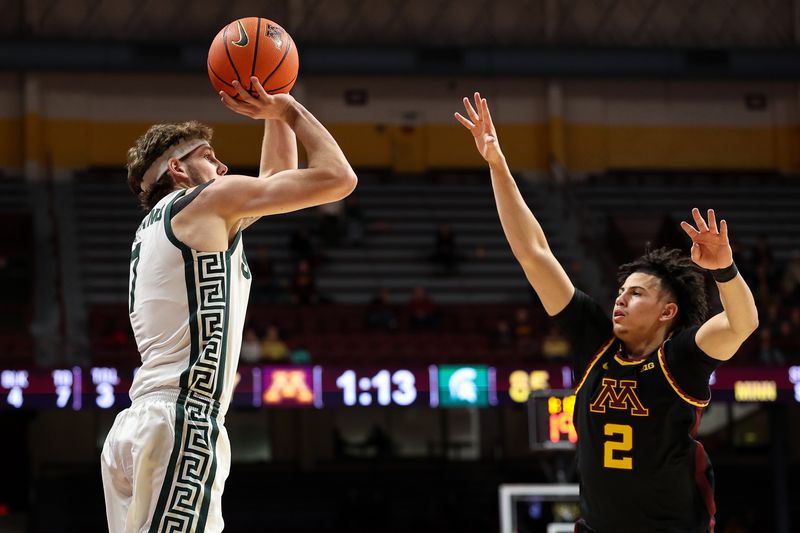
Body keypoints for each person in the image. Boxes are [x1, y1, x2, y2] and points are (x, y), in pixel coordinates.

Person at [456, 92, 758, 533]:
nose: (619, 299)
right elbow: (534, 253)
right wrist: (498, 164)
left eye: (635, 294)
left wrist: (726, 270)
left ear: (666, 312)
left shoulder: (681, 360)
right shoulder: (593, 339)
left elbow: (742, 323)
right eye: (621, 291)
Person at [100, 77, 357, 533]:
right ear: (178, 170)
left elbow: (275, 185)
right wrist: (292, 110)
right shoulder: (207, 203)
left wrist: (273, 115)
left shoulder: (164, 223)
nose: (222, 166)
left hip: (138, 424)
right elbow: (339, 179)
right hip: (181, 419)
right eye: (208, 156)